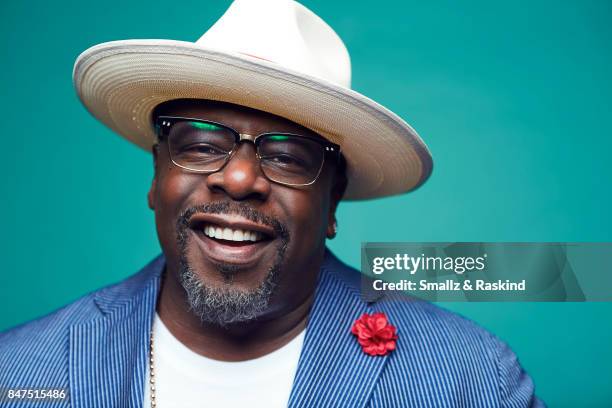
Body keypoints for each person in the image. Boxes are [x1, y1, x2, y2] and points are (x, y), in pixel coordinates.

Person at [0, 0, 544, 407]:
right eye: (201, 145)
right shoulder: (17, 373)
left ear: (333, 203)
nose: (238, 179)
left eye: (288, 157)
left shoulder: (473, 380)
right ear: (156, 176)